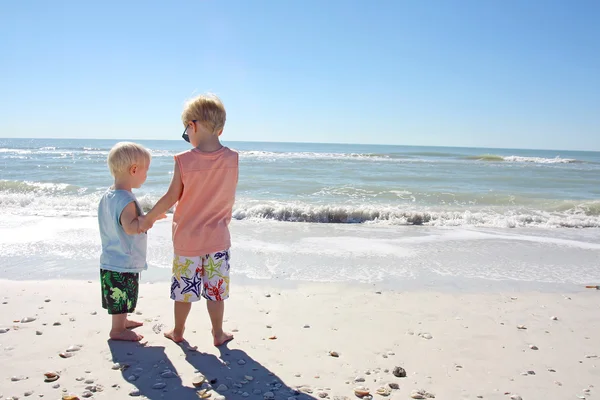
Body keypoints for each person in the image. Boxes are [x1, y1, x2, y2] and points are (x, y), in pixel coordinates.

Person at [140, 94, 238, 346]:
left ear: (192, 126)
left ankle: (178, 331)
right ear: (221, 128)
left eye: (186, 131)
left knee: (184, 290)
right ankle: (218, 333)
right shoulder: (232, 159)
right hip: (217, 239)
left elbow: (172, 196)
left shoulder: (184, 160)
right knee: (216, 291)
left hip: (187, 239)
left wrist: (148, 218)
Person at [98, 142, 162, 341]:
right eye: (146, 171)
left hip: (111, 257)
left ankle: (122, 322)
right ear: (134, 169)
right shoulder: (126, 200)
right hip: (123, 261)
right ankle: (117, 330)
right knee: (121, 294)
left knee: (121, 297)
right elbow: (131, 227)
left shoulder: (108, 196)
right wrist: (149, 219)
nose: (146, 175)